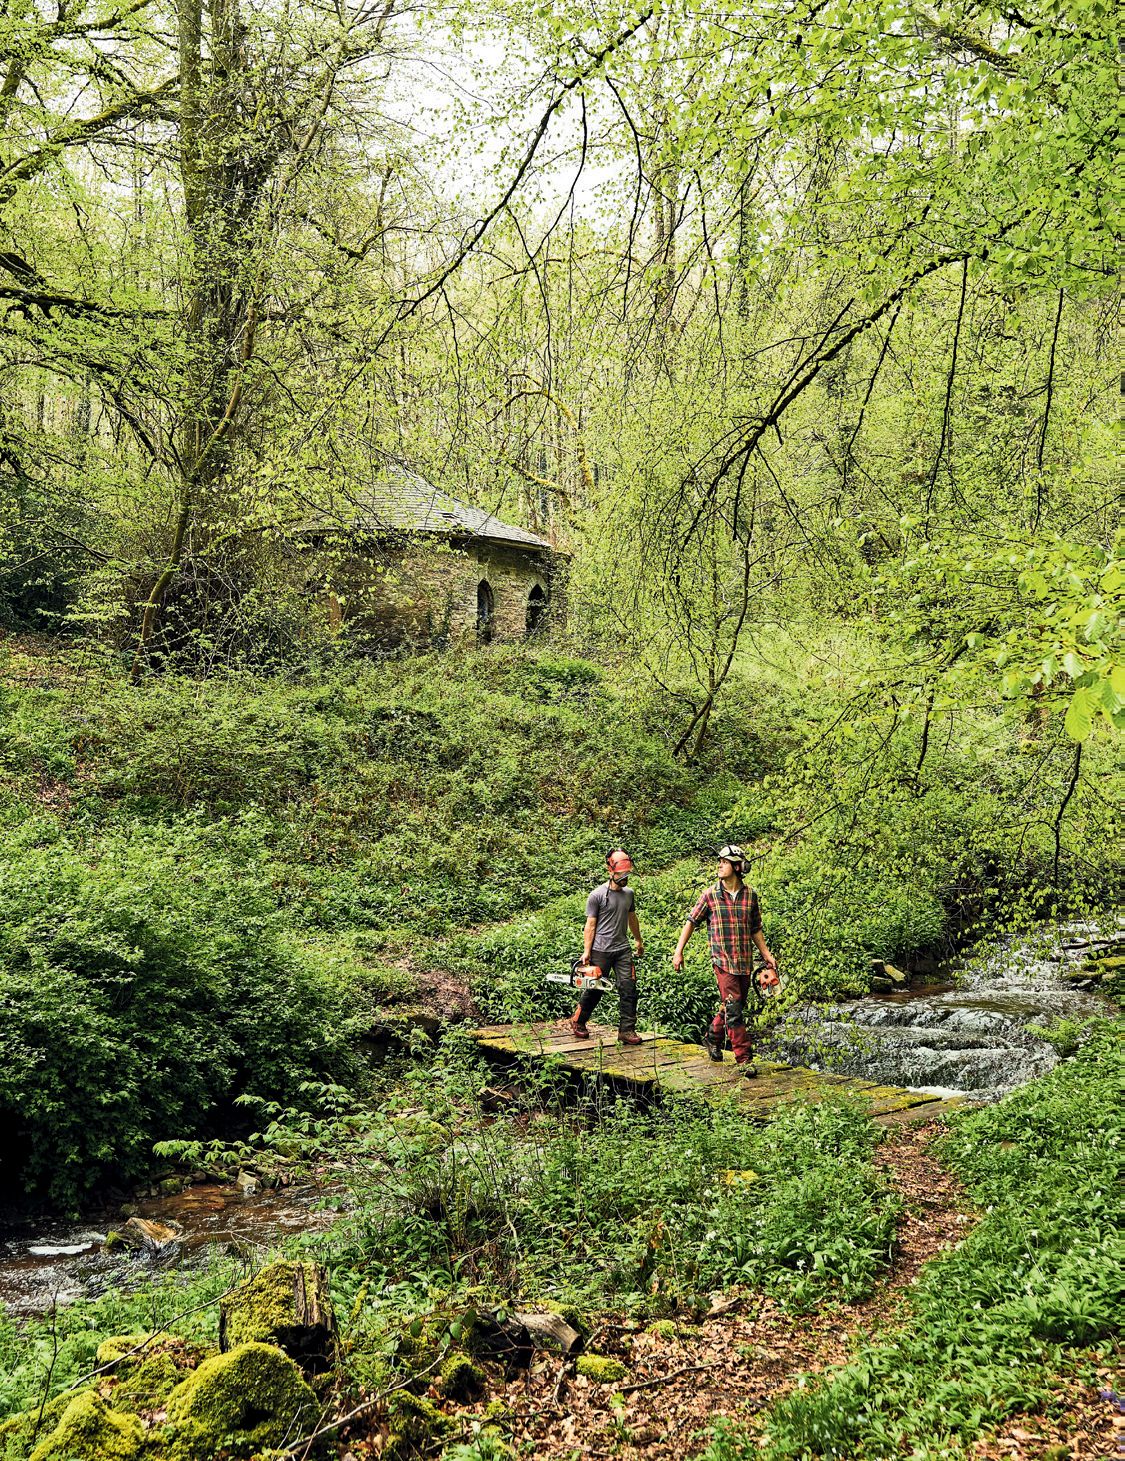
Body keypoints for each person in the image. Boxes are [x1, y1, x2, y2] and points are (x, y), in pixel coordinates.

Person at [671, 845, 779, 1075]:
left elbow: (755, 929)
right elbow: (691, 922)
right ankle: (744, 1059)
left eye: (724, 862)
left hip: (744, 961)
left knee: (732, 1005)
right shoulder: (710, 895)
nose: (719, 865)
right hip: (722, 960)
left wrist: (767, 955)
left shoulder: (750, 895)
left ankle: (712, 1037)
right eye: (719, 861)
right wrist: (679, 951)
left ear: (737, 867)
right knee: (735, 1007)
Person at [561, 849, 645, 1045]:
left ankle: (627, 1030)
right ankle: (578, 1021)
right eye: (621, 875)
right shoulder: (597, 895)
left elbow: (632, 918)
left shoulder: (629, 894)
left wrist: (638, 940)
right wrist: (586, 951)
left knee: (629, 988)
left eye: (627, 874)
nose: (625, 878)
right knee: (595, 988)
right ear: (610, 871)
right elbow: (590, 925)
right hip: (601, 949)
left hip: (622, 949)